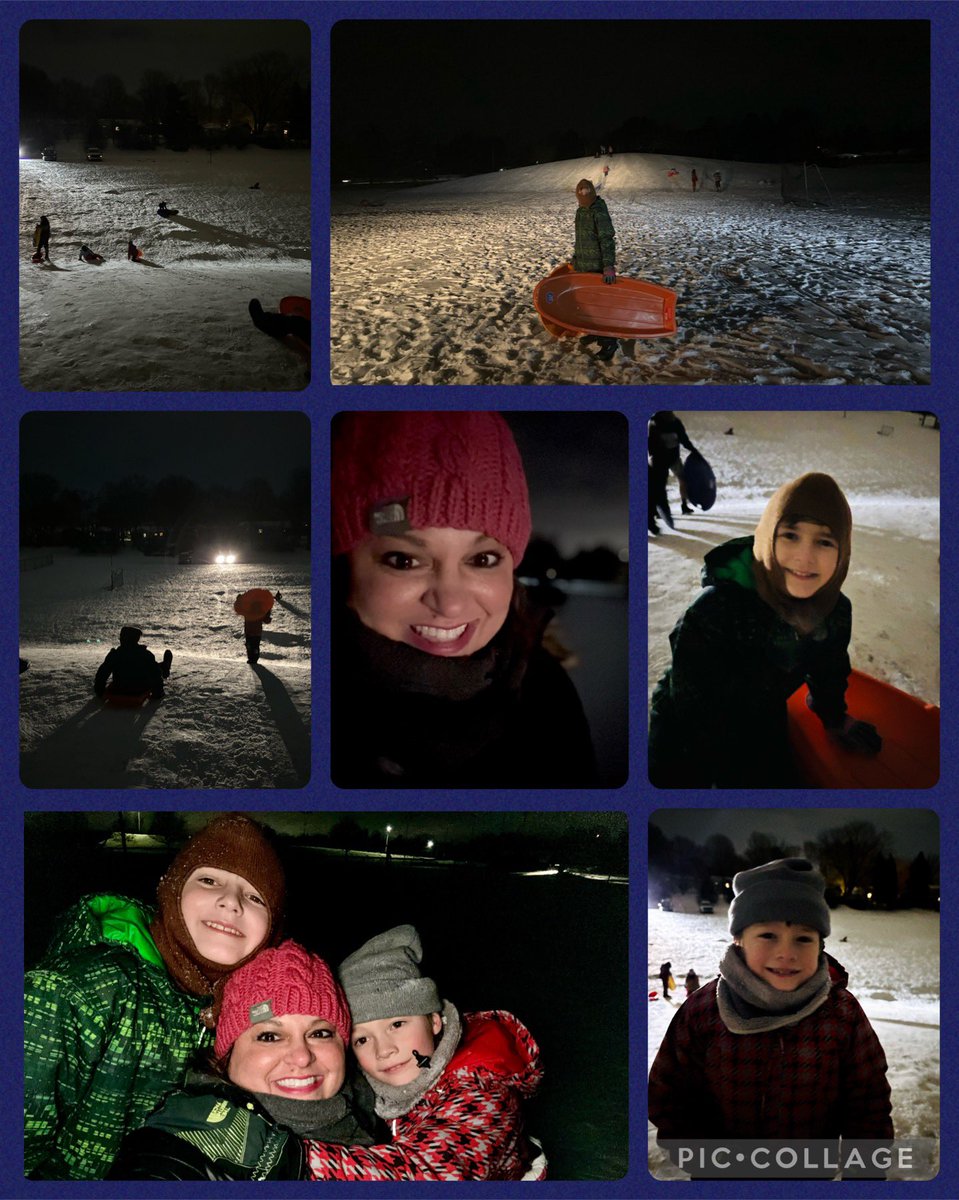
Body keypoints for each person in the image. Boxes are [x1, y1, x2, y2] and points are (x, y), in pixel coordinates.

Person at [331, 411, 597, 787]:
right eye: (404, 560)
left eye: (482, 559)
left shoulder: (546, 695)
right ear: (344, 569)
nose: (451, 605)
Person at [24, 814, 286, 1180]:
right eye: (209, 880)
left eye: (255, 896)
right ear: (173, 889)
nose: (231, 902)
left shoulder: (244, 1012)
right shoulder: (74, 993)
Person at [648, 473, 882, 787]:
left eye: (824, 542)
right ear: (768, 536)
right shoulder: (717, 609)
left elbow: (828, 667)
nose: (805, 557)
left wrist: (834, 718)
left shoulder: (834, 611)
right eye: (790, 535)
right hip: (685, 732)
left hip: (762, 713)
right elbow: (695, 710)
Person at [648, 858, 893, 1147]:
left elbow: (868, 1104)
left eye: (803, 938)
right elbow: (668, 1093)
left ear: (820, 945)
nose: (786, 953)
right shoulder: (704, 1010)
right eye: (768, 935)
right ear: (739, 939)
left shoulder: (841, 1012)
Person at [108, 940, 382, 1180]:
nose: (301, 1056)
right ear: (227, 1056)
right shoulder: (184, 1145)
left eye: (320, 1033)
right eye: (270, 1037)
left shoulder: (383, 1117)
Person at [306, 925, 546, 1181]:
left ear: (434, 1021)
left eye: (397, 1025)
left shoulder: (485, 1095)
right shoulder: (374, 1091)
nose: (384, 1050)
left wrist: (291, 1157)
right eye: (362, 1039)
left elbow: (426, 1174)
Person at [572, 178, 619, 361]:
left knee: (601, 306)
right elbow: (580, 239)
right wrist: (576, 257)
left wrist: (608, 265)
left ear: (592, 191)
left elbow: (607, 239)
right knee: (587, 304)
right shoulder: (580, 211)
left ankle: (609, 342)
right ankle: (595, 332)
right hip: (584, 266)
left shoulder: (598, 211)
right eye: (580, 191)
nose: (583, 194)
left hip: (598, 267)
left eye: (586, 191)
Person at [94, 625, 172, 700]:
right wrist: (158, 693)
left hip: (119, 688)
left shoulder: (114, 655)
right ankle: (165, 667)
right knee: (156, 667)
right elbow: (156, 674)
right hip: (140, 688)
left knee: (154, 666)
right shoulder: (145, 654)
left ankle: (164, 666)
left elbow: (102, 673)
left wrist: (100, 691)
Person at [648, 411, 696, 525]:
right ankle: (657, 510)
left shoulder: (675, 422)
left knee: (683, 479)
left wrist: (693, 450)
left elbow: (683, 439)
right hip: (659, 460)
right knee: (660, 486)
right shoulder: (653, 423)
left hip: (674, 458)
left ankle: (684, 505)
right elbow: (650, 444)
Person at [234, 590, 281, 664]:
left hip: (249, 631)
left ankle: (252, 659)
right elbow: (267, 620)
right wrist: (268, 611)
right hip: (257, 632)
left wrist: (239, 600)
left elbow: (239, 609)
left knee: (250, 646)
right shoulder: (260, 610)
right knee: (255, 646)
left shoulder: (248, 608)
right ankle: (254, 660)